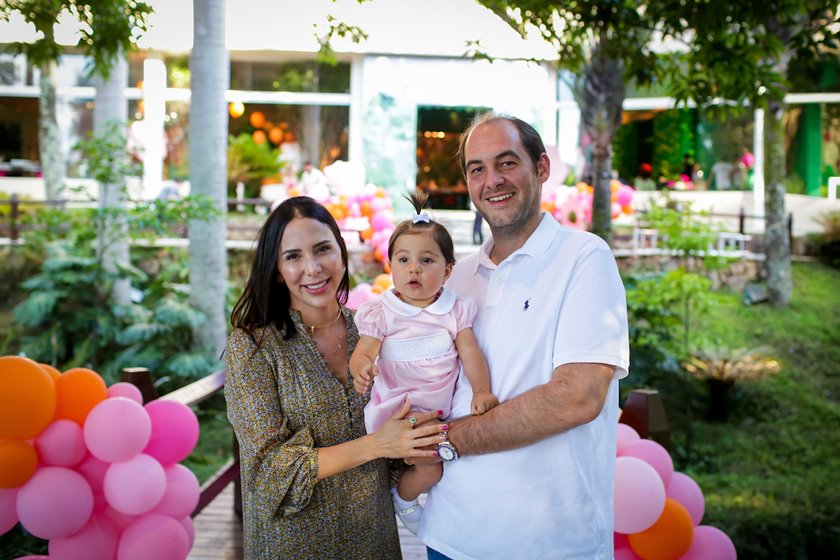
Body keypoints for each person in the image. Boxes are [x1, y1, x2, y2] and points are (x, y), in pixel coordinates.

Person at [419, 113, 629, 559]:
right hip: (448, 536)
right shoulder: (457, 279)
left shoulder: (584, 257)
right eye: (477, 169)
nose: (492, 180)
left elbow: (577, 397)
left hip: (549, 544)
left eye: (507, 162)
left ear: (541, 168)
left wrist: (447, 440)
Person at [224, 196, 448, 559]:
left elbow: (396, 460)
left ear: (342, 255)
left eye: (322, 249)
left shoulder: (374, 331)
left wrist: (421, 455)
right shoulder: (253, 347)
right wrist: (378, 444)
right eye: (293, 256)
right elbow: (269, 471)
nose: (312, 268)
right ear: (277, 269)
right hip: (293, 546)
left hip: (374, 542)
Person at [351, 191, 498, 535]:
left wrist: (481, 390)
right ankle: (402, 500)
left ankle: (402, 491)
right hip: (399, 410)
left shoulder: (453, 310)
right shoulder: (382, 312)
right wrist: (360, 368)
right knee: (431, 470)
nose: (413, 268)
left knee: (437, 465)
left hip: (436, 411)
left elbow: (470, 353)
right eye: (403, 260)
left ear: (448, 271)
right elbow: (364, 350)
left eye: (427, 261)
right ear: (390, 266)